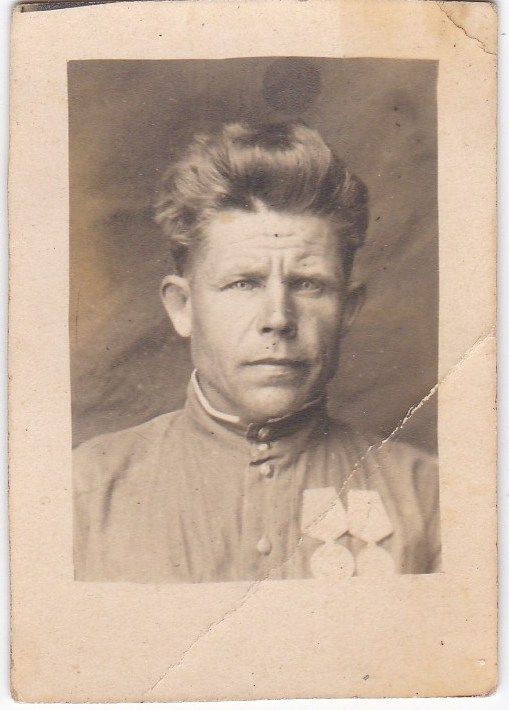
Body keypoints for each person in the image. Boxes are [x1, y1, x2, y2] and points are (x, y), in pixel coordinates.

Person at [73, 122, 440, 583]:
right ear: (182, 307)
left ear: (347, 309)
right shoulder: (82, 495)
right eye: (243, 283)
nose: (278, 318)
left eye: (308, 284)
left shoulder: (428, 498)